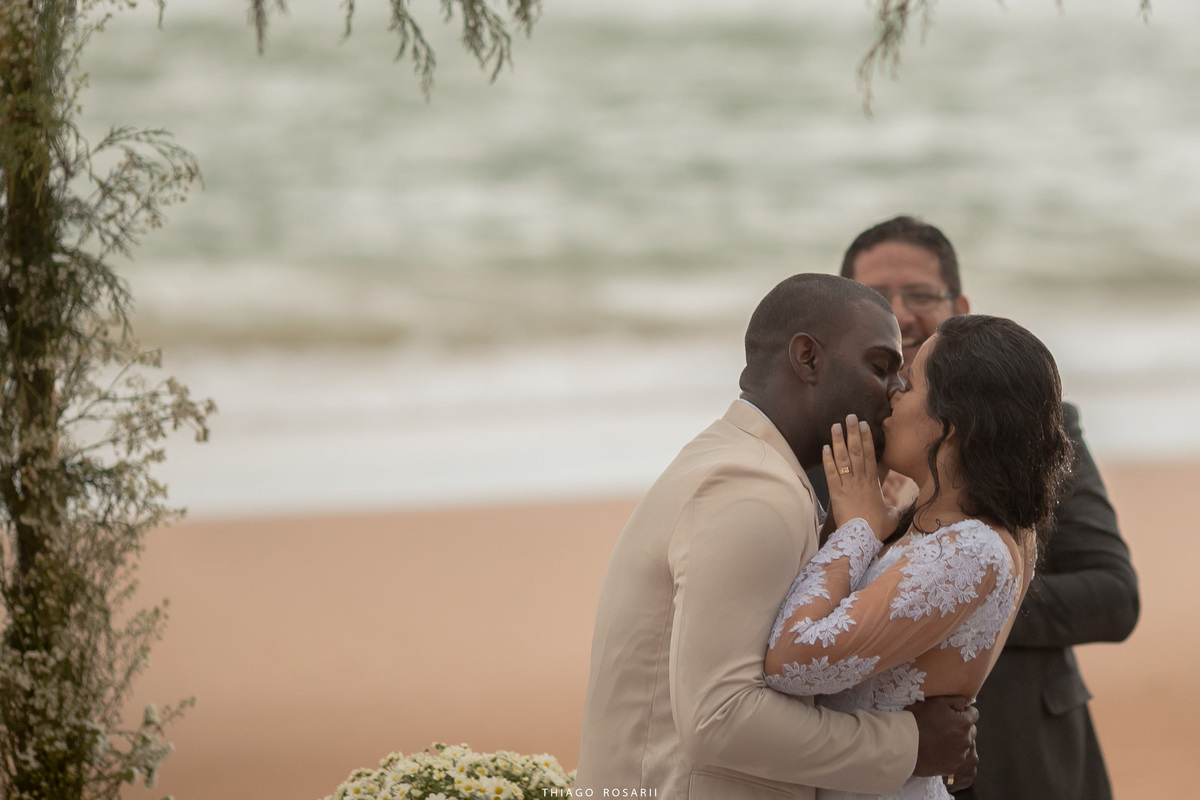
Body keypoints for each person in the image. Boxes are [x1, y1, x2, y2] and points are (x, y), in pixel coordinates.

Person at [575, 274, 978, 800]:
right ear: (807, 358)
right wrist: (909, 744)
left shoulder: (746, 465)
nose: (895, 391)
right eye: (881, 367)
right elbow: (721, 717)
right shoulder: (750, 490)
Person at [825, 215, 1140, 799]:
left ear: (959, 305)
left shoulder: (1034, 433)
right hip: (875, 765)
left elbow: (1113, 596)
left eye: (921, 295)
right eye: (877, 299)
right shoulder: (835, 447)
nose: (903, 315)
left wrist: (955, 603)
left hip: (1027, 755)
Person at [766, 314, 1075, 800]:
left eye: (908, 385)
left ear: (951, 424)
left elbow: (791, 661)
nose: (891, 395)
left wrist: (858, 529)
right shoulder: (953, 528)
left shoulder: (970, 550)